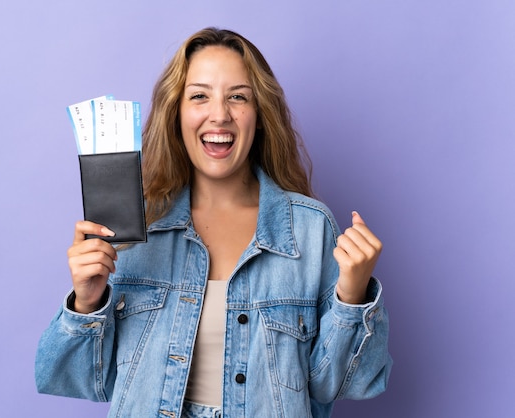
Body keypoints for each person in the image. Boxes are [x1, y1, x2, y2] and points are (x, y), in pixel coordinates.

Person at [35, 27, 392, 418]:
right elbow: (88, 382)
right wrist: (87, 302)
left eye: (237, 96)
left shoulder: (309, 227)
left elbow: (338, 385)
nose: (219, 114)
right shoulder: (134, 226)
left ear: (259, 114)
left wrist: (353, 298)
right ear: (177, 112)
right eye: (200, 96)